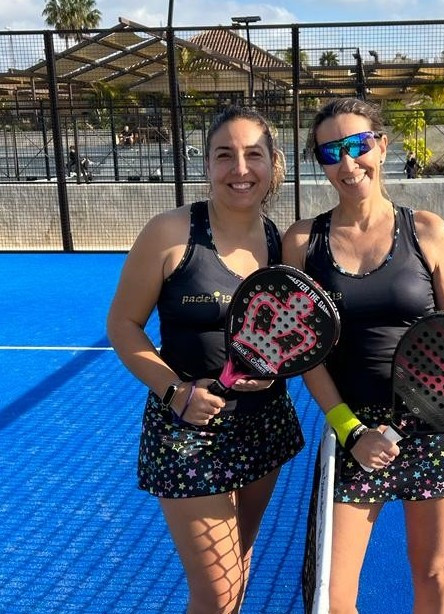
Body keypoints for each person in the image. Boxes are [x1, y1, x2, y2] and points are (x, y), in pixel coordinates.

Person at [282, 97, 444, 614]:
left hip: (437, 423)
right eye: (330, 152)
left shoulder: (428, 230)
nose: (348, 163)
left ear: (382, 146)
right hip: (355, 431)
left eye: (357, 145)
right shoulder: (302, 242)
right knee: (330, 594)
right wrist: (350, 430)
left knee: (435, 571)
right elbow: (305, 355)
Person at [107, 105, 304, 614]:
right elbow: (123, 325)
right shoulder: (169, 232)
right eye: (224, 155)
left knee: (238, 566)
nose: (240, 169)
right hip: (186, 431)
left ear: (274, 163)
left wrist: (274, 373)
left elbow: (290, 335)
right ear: (207, 164)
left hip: (264, 423)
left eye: (253, 155)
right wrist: (176, 393)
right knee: (218, 590)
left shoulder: (281, 243)